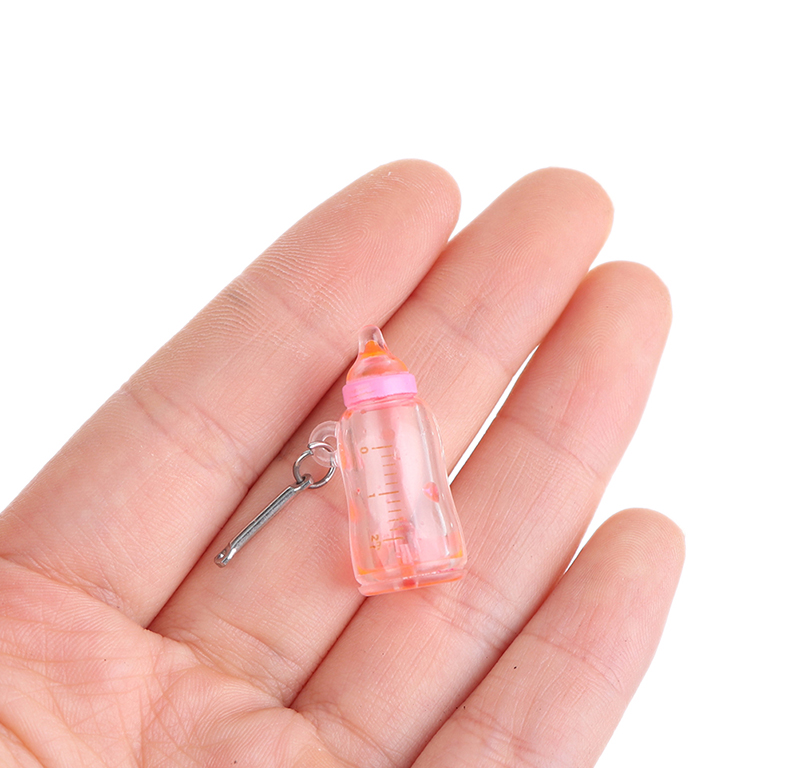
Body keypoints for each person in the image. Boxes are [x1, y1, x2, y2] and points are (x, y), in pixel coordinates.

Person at [0, 160, 683, 767]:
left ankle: (416, 557)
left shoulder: (395, 419)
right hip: (388, 556)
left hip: (424, 549)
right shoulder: (365, 427)